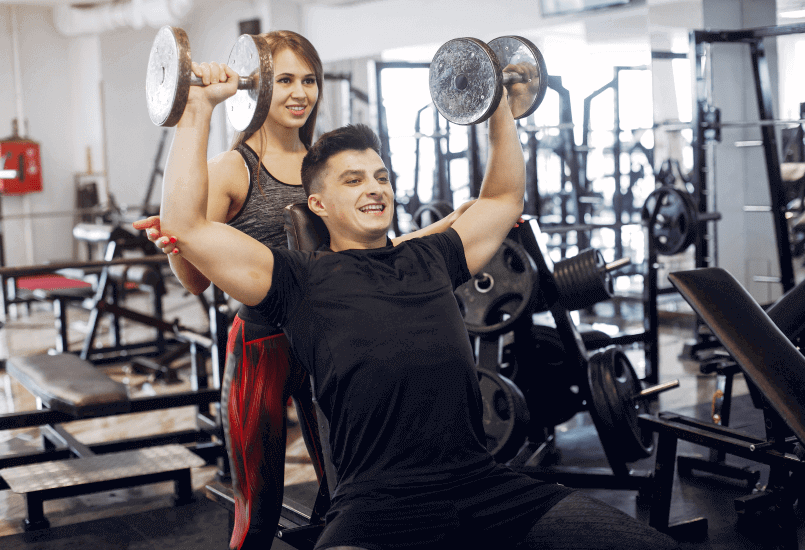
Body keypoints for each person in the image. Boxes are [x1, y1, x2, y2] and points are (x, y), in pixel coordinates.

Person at [154, 55, 678, 549]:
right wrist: (197, 109)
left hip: (486, 486)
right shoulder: (297, 280)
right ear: (318, 204)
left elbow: (501, 198)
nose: (374, 188)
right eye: (353, 180)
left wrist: (499, 106)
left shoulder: (432, 257)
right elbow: (187, 226)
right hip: (376, 506)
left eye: (381, 177)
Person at [134, 31, 476, 550]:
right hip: (265, 344)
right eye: (285, 80)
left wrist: (452, 224)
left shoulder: (330, 165)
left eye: (309, 80)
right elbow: (195, 280)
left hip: (336, 342)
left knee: (349, 489)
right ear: (255, 85)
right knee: (258, 509)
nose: (300, 93)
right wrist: (176, 244)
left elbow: (377, 255)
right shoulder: (231, 169)